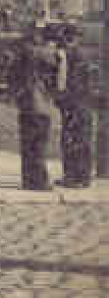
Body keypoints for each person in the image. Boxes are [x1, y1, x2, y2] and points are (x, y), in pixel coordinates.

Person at [8, 21, 61, 191]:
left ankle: (29, 179)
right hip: (39, 104)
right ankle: (39, 181)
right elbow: (54, 66)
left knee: (28, 144)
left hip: (26, 104)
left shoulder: (21, 51)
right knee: (39, 143)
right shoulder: (40, 52)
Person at [55, 25, 95, 188]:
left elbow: (65, 82)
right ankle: (84, 177)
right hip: (85, 103)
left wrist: (62, 100)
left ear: (67, 38)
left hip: (74, 104)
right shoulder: (85, 55)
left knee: (70, 140)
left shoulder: (68, 55)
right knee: (83, 140)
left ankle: (71, 177)